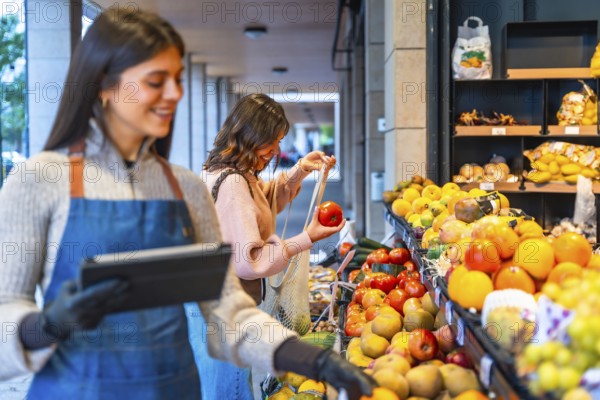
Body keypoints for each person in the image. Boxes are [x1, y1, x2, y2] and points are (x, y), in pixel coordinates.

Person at [0, 7, 374, 400]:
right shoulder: (37, 182)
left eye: (177, 80)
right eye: (156, 80)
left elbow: (228, 308)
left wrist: (309, 359)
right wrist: (44, 327)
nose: (175, 94)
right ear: (104, 85)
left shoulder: (186, 187)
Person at [198, 93, 344, 399]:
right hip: (228, 312)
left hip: (210, 304)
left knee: (220, 386)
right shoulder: (234, 182)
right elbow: (249, 262)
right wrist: (307, 239)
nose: (276, 151)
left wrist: (301, 169)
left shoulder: (227, 173)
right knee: (232, 391)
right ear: (250, 136)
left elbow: (263, 203)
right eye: (272, 142)